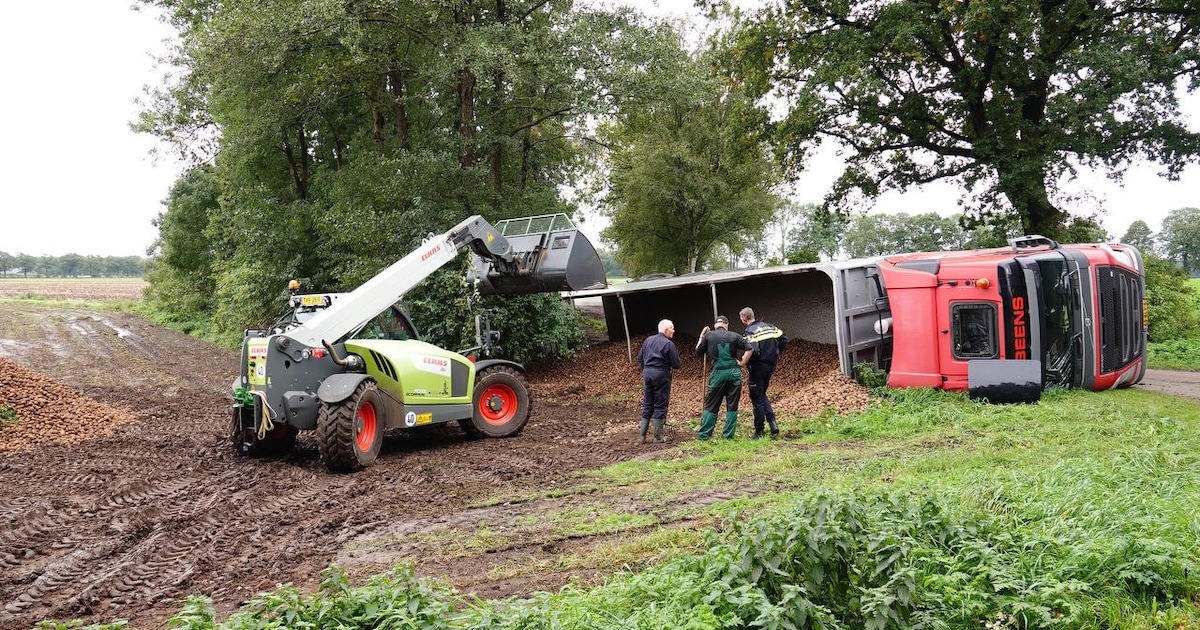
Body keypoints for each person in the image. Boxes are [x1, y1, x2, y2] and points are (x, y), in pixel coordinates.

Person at [694, 315, 752, 440]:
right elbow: (750, 348)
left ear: (716, 325)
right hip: (734, 373)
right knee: (732, 405)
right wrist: (742, 362)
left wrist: (702, 336)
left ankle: (704, 435)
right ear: (726, 325)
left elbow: (698, 351)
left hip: (718, 375)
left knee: (712, 404)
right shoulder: (735, 336)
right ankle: (728, 436)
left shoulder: (709, 336)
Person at [739, 307, 787, 439]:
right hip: (771, 365)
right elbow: (783, 339)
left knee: (756, 398)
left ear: (744, 319)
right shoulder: (769, 327)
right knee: (762, 394)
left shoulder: (749, 331)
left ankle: (759, 431)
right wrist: (776, 353)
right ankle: (772, 423)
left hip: (758, 368)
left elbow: (753, 350)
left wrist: (746, 362)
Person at [636, 319, 682, 443]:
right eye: (672, 328)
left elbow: (640, 359)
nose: (673, 331)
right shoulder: (668, 344)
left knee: (647, 403)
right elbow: (676, 364)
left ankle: (642, 436)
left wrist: (646, 369)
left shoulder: (648, 340)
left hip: (647, 374)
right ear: (666, 330)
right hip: (661, 375)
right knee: (660, 404)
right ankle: (657, 437)